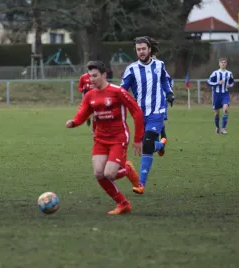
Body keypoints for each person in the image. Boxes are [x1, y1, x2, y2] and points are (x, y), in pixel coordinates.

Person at [66, 61, 145, 215]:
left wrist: (138, 138)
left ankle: (128, 169)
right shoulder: (89, 95)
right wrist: (74, 122)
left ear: (104, 75)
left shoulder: (118, 91)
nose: (91, 79)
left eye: (95, 76)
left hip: (118, 137)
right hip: (100, 138)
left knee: (110, 174)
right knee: (98, 174)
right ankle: (123, 204)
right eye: (90, 76)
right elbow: (83, 113)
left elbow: (137, 112)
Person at [120, 36, 174, 195]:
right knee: (148, 146)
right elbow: (123, 90)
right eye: (138, 49)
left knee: (147, 144)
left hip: (157, 111)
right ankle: (162, 144)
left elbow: (165, 80)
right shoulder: (131, 69)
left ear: (149, 49)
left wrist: (169, 93)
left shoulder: (159, 65)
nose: (141, 52)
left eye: (144, 48)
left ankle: (140, 184)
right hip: (140, 114)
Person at [207, 57, 234, 135]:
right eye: (221, 62)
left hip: (225, 94)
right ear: (219, 64)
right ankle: (217, 127)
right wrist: (217, 83)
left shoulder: (229, 73)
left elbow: (232, 82)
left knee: (225, 110)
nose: (223, 63)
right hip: (216, 95)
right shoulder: (215, 73)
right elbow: (209, 82)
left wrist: (230, 85)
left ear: (226, 64)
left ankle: (223, 128)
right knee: (217, 113)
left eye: (224, 62)